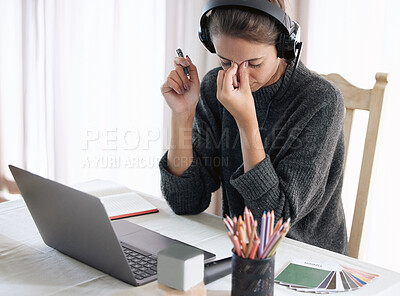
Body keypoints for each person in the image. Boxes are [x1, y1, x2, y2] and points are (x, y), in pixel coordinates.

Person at [159, 0, 348, 255]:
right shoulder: (216, 86)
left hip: (305, 263)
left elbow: (274, 224)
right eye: (226, 62)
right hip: (241, 256)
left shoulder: (321, 101)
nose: (238, 78)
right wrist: (182, 115)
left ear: (285, 47)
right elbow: (185, 201)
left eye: (255, 64)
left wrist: (247, 122)